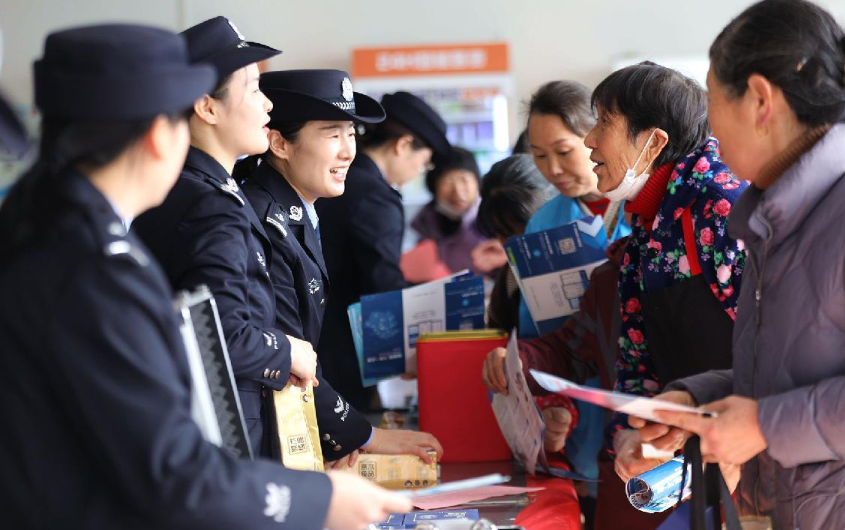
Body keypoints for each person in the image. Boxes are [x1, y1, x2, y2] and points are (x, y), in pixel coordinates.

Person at [0, 23, 410, 530]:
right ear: (160, 135)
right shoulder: (95, 268)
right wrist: (316, 499)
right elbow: (171, 471)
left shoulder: (52, 228)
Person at [635, 1, 845, 527]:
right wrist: (698, 402)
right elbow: (792, 371)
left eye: (712, 100)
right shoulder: (773, 217)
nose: (709, 126)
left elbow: (777, 410)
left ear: (759, 100)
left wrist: (764, 424)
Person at [133, 17, 320, 456]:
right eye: (253, 90)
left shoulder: (182, 187)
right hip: (223, 435)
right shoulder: (209, 204)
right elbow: (220, 334)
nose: (268, 105)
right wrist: (288, 350)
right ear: (207, 108)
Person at [238, 68, 443, 465]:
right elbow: (286, 353)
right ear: (279, 143)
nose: (348, 151)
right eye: (332, 134)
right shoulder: (265, 221)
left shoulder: (296, 210)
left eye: (351, 134)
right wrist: (366, 436)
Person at [580, 62, 748, 493]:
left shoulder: (722, 209)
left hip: (760, 456)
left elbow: (778, 350)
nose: (589, 140)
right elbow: (636, 353)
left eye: (604, 122)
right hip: (700, 462)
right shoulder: (646, 227)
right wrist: (631, 433)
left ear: (654, 142)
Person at [316, 91, 451, 409]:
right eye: (424, 162)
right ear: (402, 145)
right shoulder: (376, 196)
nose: (420, 170)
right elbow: (383, 285)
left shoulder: (336, 179)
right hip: (346, 351)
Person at [519, 80, 631, 339]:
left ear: (597, 137)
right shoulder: (542, 223)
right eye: (540, 156)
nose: (553, 169)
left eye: (563, 152)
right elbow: (534, 325)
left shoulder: (642, 206)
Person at [475, 154, 556, 331]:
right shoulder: (510, 278)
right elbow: (499, 334)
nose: (520, 244)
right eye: (505, 234)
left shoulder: (589, 264)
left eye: (528, 229)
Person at [409, 146, 487, 275]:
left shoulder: (492, 216)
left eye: (464, 179)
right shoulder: (425, 222)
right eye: (449, 181)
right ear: (433, 186)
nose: (458, 191)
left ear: (477, 181)